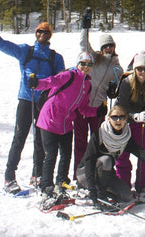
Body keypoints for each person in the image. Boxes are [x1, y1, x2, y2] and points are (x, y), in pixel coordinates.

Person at [0, 6, 65, 195]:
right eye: (40, 31)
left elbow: (61, 80)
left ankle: (38, 174)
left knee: (42, 140)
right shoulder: (25, 51)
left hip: (44, 103)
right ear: (36, 34)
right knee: (19, 137)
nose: (43, 34)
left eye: (46, 32)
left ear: (50, 35)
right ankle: (9, 177)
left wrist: (43, 84)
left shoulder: (55, 58)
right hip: (26, 100)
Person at [28, 52, 95, 207]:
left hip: (66, 122)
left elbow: (83, 108)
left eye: (89, 64)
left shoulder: (87, 84)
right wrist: (36, 83)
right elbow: (51, 81)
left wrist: (97, 111)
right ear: (77, 64)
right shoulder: (69, 75)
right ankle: (46, 186)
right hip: (49, 119)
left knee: (66, 153)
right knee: (51, 154)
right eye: (83, 63)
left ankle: (61, 182)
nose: (85, 67)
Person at [76, 105, 145, 206]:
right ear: (109, 118)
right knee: (106, 160)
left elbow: (143, 154)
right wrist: (91, 187)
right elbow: (89, 161)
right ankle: (100, 194)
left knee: (126, 196)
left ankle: (101, 192)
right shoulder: (100, 133)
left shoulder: (125, 136)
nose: (118, 120)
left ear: (126, 119)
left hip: (105, 175)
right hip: (85, 173)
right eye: (114, 117)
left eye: (122, 117)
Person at [75, 15, 124, 182]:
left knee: (97, 144)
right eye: (105, 46)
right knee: (80, 143)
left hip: (99, 109)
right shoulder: (94, 59)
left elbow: (116, 88)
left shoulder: (118, 68)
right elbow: (83, 45)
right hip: (82, 106)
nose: (108, 48)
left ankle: (96, 174)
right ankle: (79, 175)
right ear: (101, 48)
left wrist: (113, 92)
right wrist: (84, 27)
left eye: (111, 45)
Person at [115, 52, 145, 193]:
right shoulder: (126, 82)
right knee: (123, 155)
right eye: (140, 69)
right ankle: (123, 185)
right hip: (124, 122)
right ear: (135, 69)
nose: (143, 72)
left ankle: (144, 184)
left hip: (143, 123)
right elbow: (121, 106)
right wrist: (134, 116)